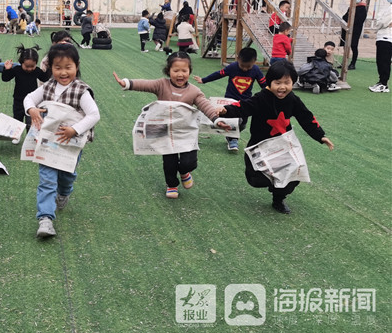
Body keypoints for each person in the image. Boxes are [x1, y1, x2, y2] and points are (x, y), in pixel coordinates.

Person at [219, 61, 334, 214]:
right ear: (269, 82)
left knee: (293, 175)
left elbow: (306, 118)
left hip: (282, 147)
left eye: (287, 83)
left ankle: (278, 199)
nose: (282, 87)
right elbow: (244, 107)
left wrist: (320, 136)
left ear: (293, 82)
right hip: (259, 145)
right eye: (277, 82)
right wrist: (226, 110)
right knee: (255, 179)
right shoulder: (261, 98)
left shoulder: (293, 100)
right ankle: (272, 183)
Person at [113, 52, 227, 199]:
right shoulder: (162, 85)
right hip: (166, 132)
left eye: (184, 71)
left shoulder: (194, 91)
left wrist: (217, 120)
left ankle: (185, 172)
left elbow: (205, 106)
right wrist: (127, 83)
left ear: (190, 71)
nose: (180, 74)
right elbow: (145, 84)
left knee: (189, 163)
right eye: (176, 70)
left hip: (186, 133)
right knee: (169, 162)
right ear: (168, 71)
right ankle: (172, 184)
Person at [24, 44, 100, 238]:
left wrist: (74, 130)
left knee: (66, 177)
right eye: (58, 67)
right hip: (48, 143)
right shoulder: (48, 86)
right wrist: (31, 109)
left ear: (77, 66)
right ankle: (45, 219)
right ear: (50, 67)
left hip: (70, 144)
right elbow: (29, 99)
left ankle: (64, 193)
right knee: (47, 179)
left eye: (68, 67)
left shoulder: (81, 90)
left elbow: (93, 115)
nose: (63, 72)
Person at [193, 47, 266, 151]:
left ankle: (231, 135)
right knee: (232, 120)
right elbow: (219, 74)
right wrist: (204, 80)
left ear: (254, 62)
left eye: (248, 67)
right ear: (237, 59)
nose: (245, 69)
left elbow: (264, 84)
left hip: (245, 102)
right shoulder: (232, 67)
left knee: (242, 123)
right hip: (230, 100)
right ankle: (232, 139)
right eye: (242, 66)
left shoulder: (256, 70)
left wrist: (271, 93)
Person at [2, 44, 49, 142]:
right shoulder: (17, 70)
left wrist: (49, 68)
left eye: (32, 66)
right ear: (21, 62)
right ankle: (16, 136)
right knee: (17, 119)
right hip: (18, 100)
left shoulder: (36, 71)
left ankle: (30, 137)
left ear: (36, 63)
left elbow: (45, 78)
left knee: (31, 120)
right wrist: (7, 69)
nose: (30, 68)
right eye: (27, 66)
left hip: (33, 101)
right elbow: (5, 78)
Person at [369, 0, 392, 93]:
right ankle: (381, 81)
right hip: (381, 37)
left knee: (384, 61)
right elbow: (380, 22)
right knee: (380, 61)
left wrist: (383, 23)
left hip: (388, 38)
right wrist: (384, 23)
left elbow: (382, 22)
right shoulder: (386, 8)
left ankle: (384, 84)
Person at [340, 0, 367, 70]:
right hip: (347, 29)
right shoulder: (351, 7)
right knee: (345, 46)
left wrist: (351, 21)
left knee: (353, 46)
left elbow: (360, 20)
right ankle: (344, 62)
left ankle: (353, 63)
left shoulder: (362, 8)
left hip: (355, 30)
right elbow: (344, 17)